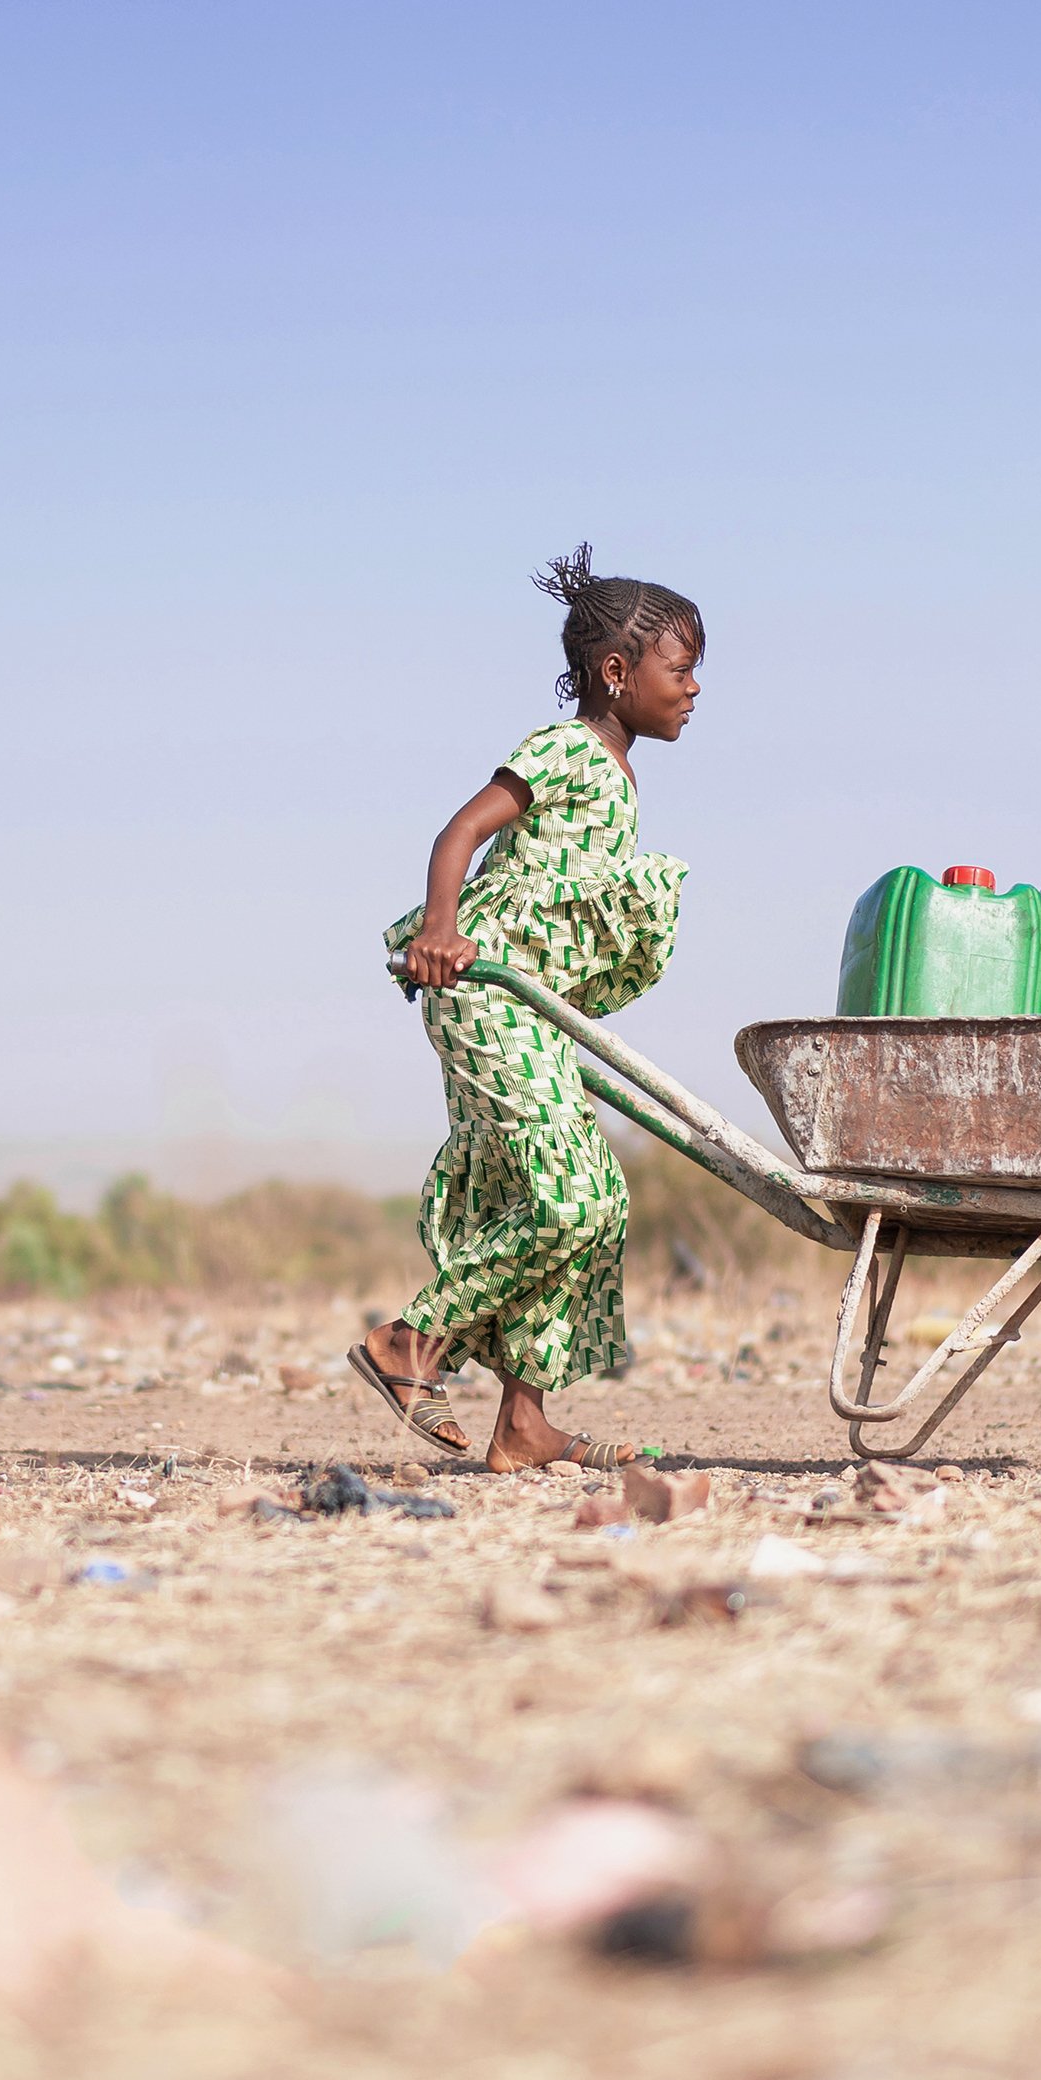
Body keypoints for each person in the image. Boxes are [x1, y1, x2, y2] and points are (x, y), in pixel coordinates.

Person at [348, 545, 703, 1470]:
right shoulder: (562, 750)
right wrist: (437, 927)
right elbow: (459, 830)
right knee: (572, 1201)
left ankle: (524, 1421)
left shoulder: (619, 776)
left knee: (575, 1202)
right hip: (483, 994)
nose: (695, 687)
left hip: (530, 1009)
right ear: (615, 674)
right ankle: (408, 1345)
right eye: (682, 667)